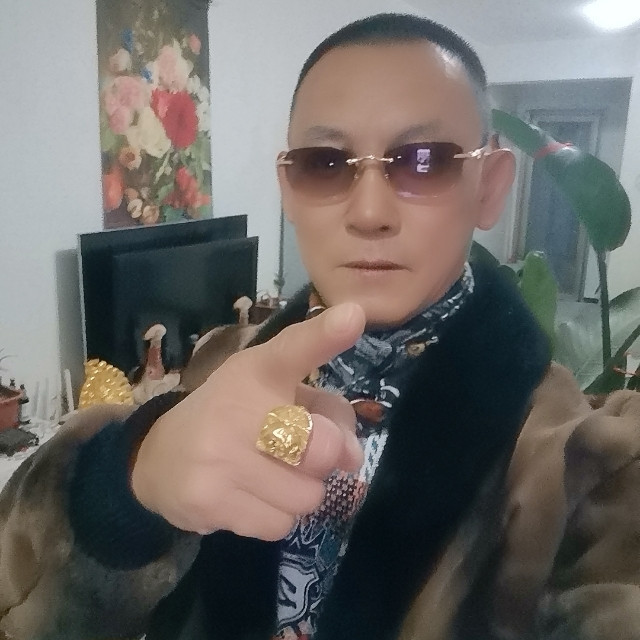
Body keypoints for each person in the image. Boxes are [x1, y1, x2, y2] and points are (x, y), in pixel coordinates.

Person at [2, 13, 640, 640]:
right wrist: (125, 487)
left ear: (490, 186)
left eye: (423, 160)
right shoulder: (218, 363)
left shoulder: (583, 465)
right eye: (326, 164)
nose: (369, 212)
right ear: (288, 186)